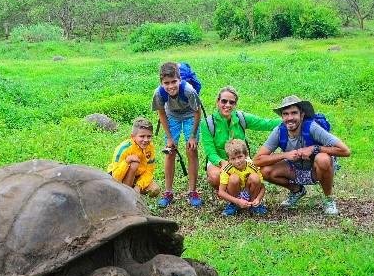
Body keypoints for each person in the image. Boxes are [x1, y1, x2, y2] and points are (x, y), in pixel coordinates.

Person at [252, 95, 351, 215]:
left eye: (294, 113)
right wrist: (285, 155)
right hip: (295, 168)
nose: (290, 118)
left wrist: (315, 148)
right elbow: (257, 160)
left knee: (323, 158)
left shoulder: (312, 128)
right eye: (286, 114)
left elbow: (345, 151)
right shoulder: (279, 131)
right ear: (282, 117)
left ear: (302, 115)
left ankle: (328, 199)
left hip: (317, 169)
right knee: (264, 170)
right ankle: (297, 190)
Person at [201, 86, 281, 194]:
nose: (227, 105)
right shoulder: (207, 123)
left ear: (235, 105)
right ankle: (232, 197)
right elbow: (210, 151)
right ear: (217, 102)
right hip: (220, 159)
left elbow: (267, 124)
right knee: (216, 177)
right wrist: (223, 162)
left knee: (254, 176)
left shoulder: (241, 118)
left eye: (232, 102)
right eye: (224, 101)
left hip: (240, 157)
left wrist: (289, 119)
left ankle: (247, 195)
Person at [152, 62, 202, 208]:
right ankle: (168, 192)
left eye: (174, 81)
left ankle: (192, 191)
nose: (171, 86)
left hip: (190, 115)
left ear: (180, 80)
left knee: (191, 150)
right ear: (161, 83)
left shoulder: (189, 90)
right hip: (171, 116)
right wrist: (169, 138)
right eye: (166, 83)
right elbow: (161, 113)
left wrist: (192, 135)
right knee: (170, 152)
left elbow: (197, 112)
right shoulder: (159, 93)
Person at [107, 117, 160, 196]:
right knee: (134, 163)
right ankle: (126, 192)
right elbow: (115, 176)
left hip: (137, 176)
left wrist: (138, 186)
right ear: (133, 136)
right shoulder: (124, 148)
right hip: (119, 176)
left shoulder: (150, 148)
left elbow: (149, 171)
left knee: (155, 189)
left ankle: (134, 189)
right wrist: (126, 161)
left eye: (149, 136)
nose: (146, 140)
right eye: (142, 136)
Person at [218, 139, 267, 216]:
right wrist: (237, 201)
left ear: (246, 155)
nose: (237, 161)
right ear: (228, 159)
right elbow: (221, 192)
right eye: (233, 159)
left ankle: (253, 205)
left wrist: (258, 199)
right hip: (235, 195)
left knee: (255, 177)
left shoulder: (253, 167)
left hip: (249, 192)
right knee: (234, 178)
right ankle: (234, 205)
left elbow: (262, 187)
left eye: (240, 157)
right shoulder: (227, 169)